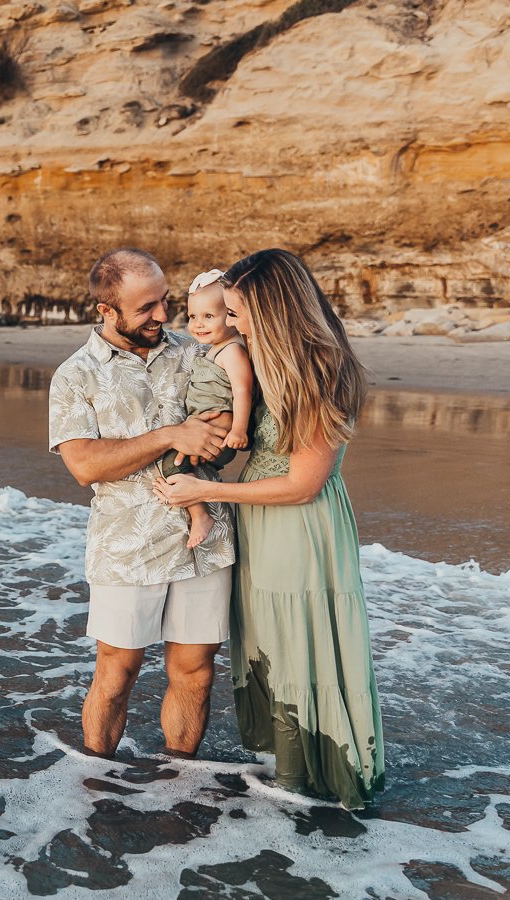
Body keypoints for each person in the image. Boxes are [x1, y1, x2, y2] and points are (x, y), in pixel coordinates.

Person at [152, 248, 385, 809]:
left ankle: (328, 783)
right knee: (272, 643)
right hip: (259, 516)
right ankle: (292, 781)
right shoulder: (263, 360)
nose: (232, 324)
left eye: (238, 312)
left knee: (302, 643)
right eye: (227, 312)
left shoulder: (319, 370)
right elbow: (252, 437)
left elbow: (302, 483)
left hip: (298, 524)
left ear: (274, 310)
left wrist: (207, 491)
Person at [49, 247, 235, 760]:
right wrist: (171, 435)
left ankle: (179, 783)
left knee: (195, 671)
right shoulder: (75, 376)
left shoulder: (196, 348)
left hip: (207, 538)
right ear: (106, 310)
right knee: (116, 671)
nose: (162, 315)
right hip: (127, 544)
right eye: (146, 307)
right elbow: (85, 465)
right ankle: (95, 786)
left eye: (165, 301)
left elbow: (234, 407)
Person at [159, 270, 254, 551]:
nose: (198, 324)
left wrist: (237, 429)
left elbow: (242, 391)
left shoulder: (232, 352)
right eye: (192, 317)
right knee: (173, 464)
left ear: (232, 315)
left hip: (220, 433)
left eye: (209, 316)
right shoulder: (214, 349)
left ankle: (201, 516)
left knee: (170, 464)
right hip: (206, 430)